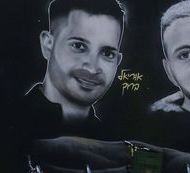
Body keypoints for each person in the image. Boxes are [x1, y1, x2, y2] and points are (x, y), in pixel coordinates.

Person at [28, 0, 125, 130]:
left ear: (117, 61)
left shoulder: (112, 141)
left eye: (107, 53)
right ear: (48, 45)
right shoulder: (2, 121)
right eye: (78, 46)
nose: (92, 68)